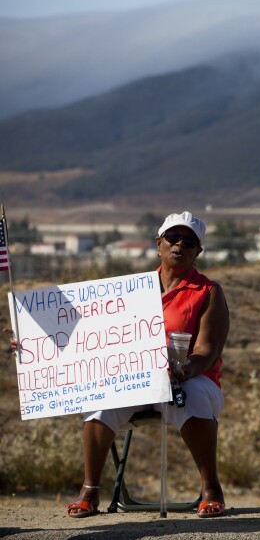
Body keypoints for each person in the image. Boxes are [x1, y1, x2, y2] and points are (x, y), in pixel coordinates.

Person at [60, 211, 229, 518]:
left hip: (188, 379)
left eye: (189, 241)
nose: (179, 245)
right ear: (158, 243)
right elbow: (87, 337)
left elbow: (207, 350)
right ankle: (89, 490)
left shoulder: (209, 292)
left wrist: (186, 368)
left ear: (198, 251)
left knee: (192, 393)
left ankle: (211, 489)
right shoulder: (127, 293)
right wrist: (37, 345)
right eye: (172, 238)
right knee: (101, 399)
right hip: (136, 381)